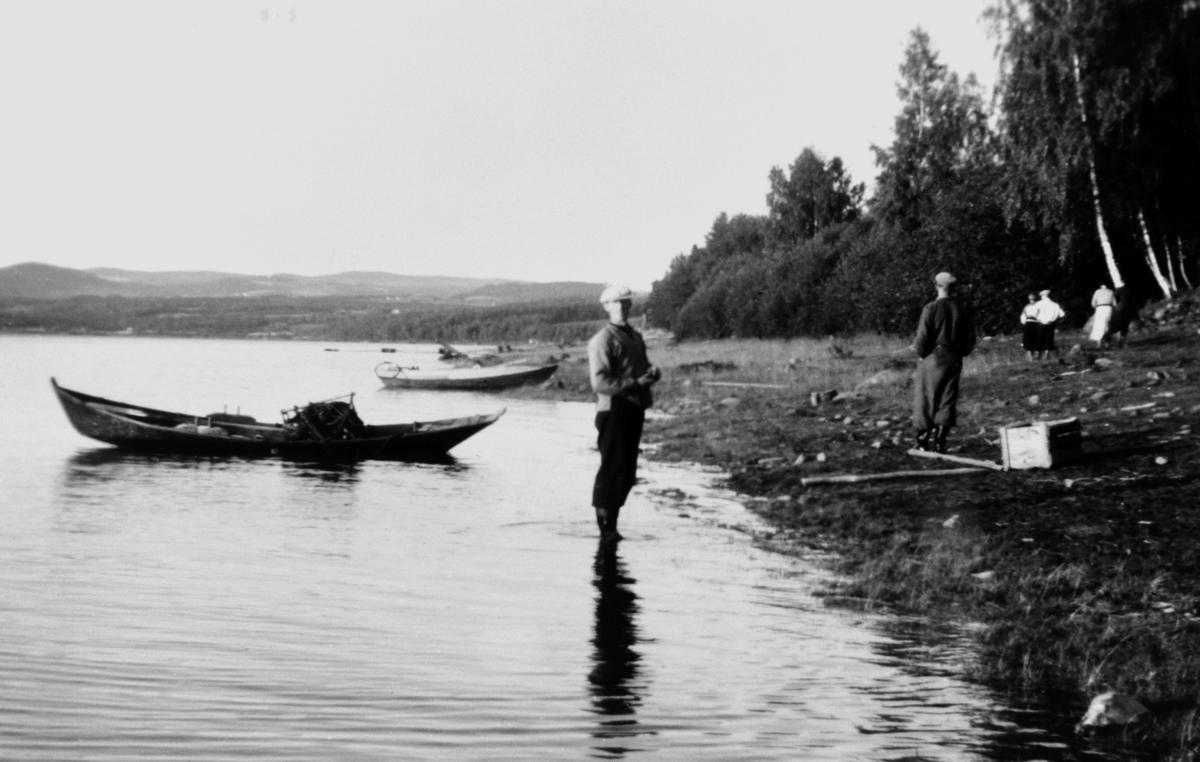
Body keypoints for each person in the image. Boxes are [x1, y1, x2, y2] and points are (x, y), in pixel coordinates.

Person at [588, 284, 661, 541]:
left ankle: (612, 528)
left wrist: (652, 374)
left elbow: (639, 367)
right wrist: (635, 383)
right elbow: (599, 384)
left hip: (633, 408)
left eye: (626, 302)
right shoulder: (602, 340)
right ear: (607, 306)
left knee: (627, 473)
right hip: (613, 410)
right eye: (617, 302)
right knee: (612, 470)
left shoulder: (634, 336)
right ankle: (607, 531)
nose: (623, 306)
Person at [912, 271, 975, 454]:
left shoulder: (930, 309)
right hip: (954, 357)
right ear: (953, 287)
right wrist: (961, 352)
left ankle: (922, 441)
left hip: (934, 356)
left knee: (926, 397)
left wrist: (922, 354)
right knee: (948, 398)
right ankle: (940, 442)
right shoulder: (962, 309)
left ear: (937, 285)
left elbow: (922, 338)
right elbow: (970, 338)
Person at [1033, 289, 1066, 360]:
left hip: (1041, 323)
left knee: (1039, 338)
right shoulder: (1055, 304)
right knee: (1049, 339)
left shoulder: (1039, 303)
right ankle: (1046, 353)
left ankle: (1037, 354)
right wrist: (1055, 318)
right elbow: (1062, 314)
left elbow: (1033, 313)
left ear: (1043, 296)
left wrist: (1038, 318)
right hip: (1051, 324)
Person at [1089, 282, 1115, 348]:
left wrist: (1096, 307)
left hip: (1100, 308)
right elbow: (1115, 303)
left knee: (1099, 326)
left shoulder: (1097, 291)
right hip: (1109, 308)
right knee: (1108, 326)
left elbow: (1093, 303)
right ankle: (1107, 344)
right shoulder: (1111, 291)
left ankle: (1099, 344)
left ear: (1101, 286)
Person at [1019, 293, 1039, 361]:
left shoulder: (1037, 306)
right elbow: (1023, 316)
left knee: (1033, 339)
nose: (1031, 300)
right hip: (1031, 323)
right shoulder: (1027, 306)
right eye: (1030, 299)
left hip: (1033, 323)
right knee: (1029, 339)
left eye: (1032, 299)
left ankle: (1034, 356)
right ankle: (1031, 356)